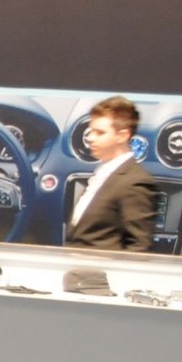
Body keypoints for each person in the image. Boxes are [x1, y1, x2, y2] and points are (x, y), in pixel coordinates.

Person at [65, 95, 157, 251]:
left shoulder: (135, 182)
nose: (90, 138)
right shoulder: (104, 173)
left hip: (100, 274)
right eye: (91, 131)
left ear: (122, 136)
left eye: (99, 133)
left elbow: (140, 247)